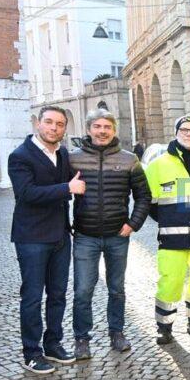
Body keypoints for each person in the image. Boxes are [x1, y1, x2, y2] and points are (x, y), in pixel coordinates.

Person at [69, 109, 151, 359]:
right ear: (89, 129)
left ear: (114, 130)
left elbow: (144, 196)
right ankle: (82, 338)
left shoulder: (129, 160)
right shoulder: (73, 159)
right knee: (83, 290)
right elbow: (59, 192)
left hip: (118, 236)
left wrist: (133, 224)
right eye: (97, 126)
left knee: (116, 288)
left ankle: (117, 332)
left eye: (107, 127)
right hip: (85, 236)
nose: (102, 131)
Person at [8, 106, 85, 374]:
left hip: (60, 235)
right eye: (49, 122)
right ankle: (31, 353)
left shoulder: (63, 154)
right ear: (38, 124)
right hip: (32, 237)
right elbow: (26, 194)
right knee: (32, 297)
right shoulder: (20, 156)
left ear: (64, 128)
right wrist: (67, 188)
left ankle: (53, 344)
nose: (54, 128)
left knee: (58, 294)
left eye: (60, 124)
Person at [145, 115, 190, 344]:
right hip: (171, 238)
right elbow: (148, 201)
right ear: (176, 132)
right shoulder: (159, 165)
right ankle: (164, 328)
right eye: (184, 129)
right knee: (170, 282)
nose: (188, 133)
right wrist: (169, 220)